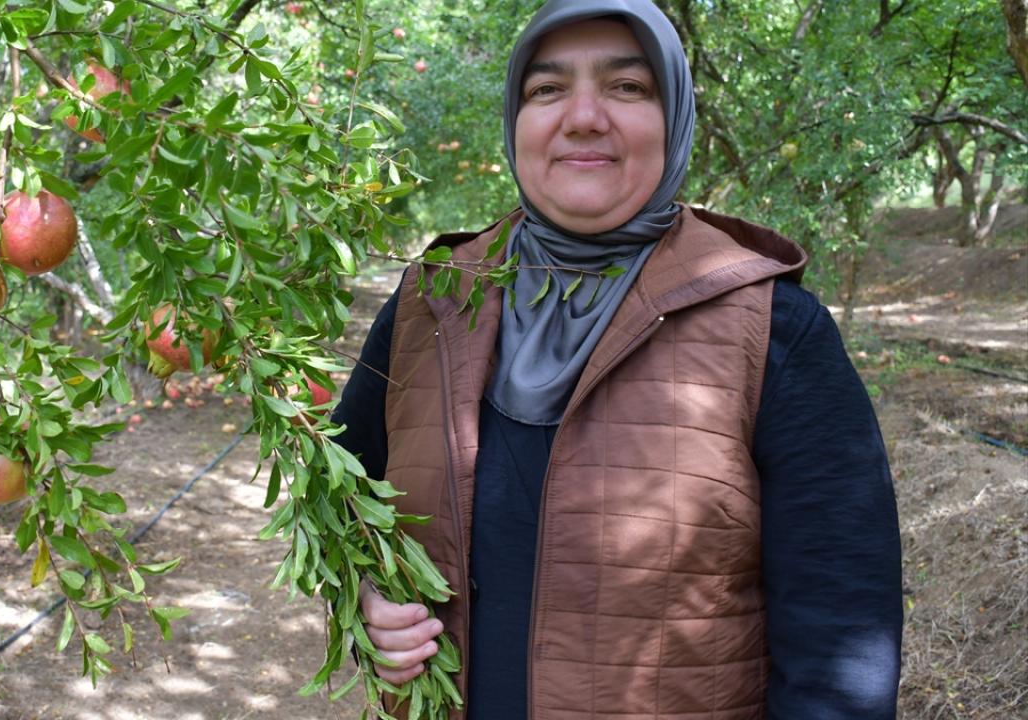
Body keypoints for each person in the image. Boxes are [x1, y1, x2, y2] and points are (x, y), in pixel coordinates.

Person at [330, 0, 903, 717]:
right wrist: (366, 600)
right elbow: (337, 508)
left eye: (627, 87)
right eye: (546, 89)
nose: (583, 116)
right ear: (515, 123)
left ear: (677, 118)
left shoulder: (774, 330)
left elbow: (838, 640)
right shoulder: (430, 306)